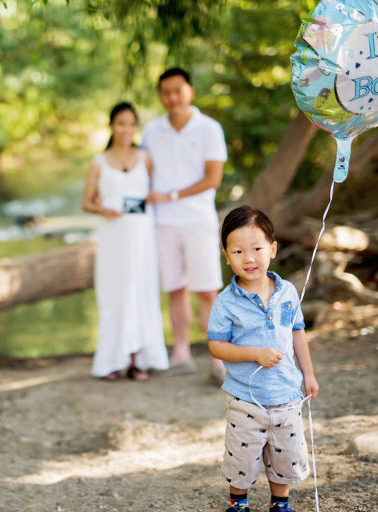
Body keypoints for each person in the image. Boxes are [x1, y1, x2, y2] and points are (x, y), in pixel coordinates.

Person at [207, 206, 319, 512]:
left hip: (286, 392)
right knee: (242, 457)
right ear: (226, 256)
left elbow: (297, 333)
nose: (249, 258)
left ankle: (279, 504)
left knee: (285, 453)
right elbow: (216, 346)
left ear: (272, 248)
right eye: (238, 251)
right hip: (245, 397)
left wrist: (307, 374)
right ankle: (238, 503)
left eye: (257, 248)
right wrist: (254, 354)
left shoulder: (288, 292)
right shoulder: (226, 302)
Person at [142, 67, 227, 380]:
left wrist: (171, 194)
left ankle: (218, 359)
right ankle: (180, 353)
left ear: (190, 91)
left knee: (207, 291)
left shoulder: (209, 128)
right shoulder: (152, 130)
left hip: (198, 219)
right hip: (162, 223)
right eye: (165, 92)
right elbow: (142, 172)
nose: (172, 98)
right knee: (175, 289)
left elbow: (213, 178)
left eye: (177, 91)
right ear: (160, 96)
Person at [82, 102, 170, 381]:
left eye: (131, 123)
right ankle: (112, 360)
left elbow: (157, 191)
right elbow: (86, 203)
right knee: (114, 294)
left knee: (141, 290)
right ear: (111, 126)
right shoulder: (98, 162)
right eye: (120, 123)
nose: (125, 129)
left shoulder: (146, 157)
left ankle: (139, 359)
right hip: (113, 236)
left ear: (136, 127)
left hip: (142, 234)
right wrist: (103, 208)